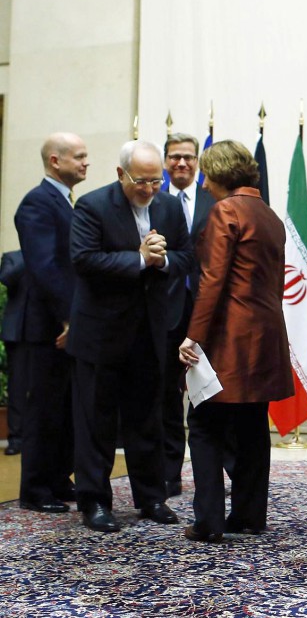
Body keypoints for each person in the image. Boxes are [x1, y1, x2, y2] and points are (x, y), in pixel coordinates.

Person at [67, 139, 193, 532]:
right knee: (96, 420)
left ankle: (151, 497)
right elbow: (84, 260)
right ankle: (94, 501)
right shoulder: (92, 205)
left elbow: (188, 257)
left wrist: (164, 258)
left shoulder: (170, 206)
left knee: (146, 419)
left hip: (150, 332)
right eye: (142, 181)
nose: (150, 190)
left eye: (157, 181)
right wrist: (140, 258)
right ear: (121, 174)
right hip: (100, 332)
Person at [179, 140, 294, 542]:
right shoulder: (269, 215)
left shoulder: (225, 211)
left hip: (229, 336)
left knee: (205, 423)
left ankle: (209, 521)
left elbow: (212, 282)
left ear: (221, 174)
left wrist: (193, 337)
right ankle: (248, 514)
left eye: (207, 174)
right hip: (265, 335)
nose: (204, 182)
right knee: (250, 426)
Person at [11, 133, 88, 513]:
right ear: (55, 161)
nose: (86, 163)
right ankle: (35, 488)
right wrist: (67, 318)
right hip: (48, 328)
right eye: (79, 157)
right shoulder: (37, 203)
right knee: (44, 409)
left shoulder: (67, 203)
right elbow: (45, 268)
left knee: (65, 407)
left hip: (67, 324)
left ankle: (58, 477)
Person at [161, 133, 214, 497]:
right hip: (165, 311)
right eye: (175, 157)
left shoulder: (216, 201)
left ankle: (215, 474)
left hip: (208, 312)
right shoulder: (156, 203)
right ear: (166, 162)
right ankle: (168, 473)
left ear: (198, 162)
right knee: (166, 394)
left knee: (211, 393)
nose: (182, 163)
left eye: (188, 157)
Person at [0, 250, 27, 456]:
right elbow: (7, 279)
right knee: (17, 387)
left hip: (48, 332)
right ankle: (16, 438)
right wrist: (30, 254)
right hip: (17, 333)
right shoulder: (11, 257)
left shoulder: (51, 255)